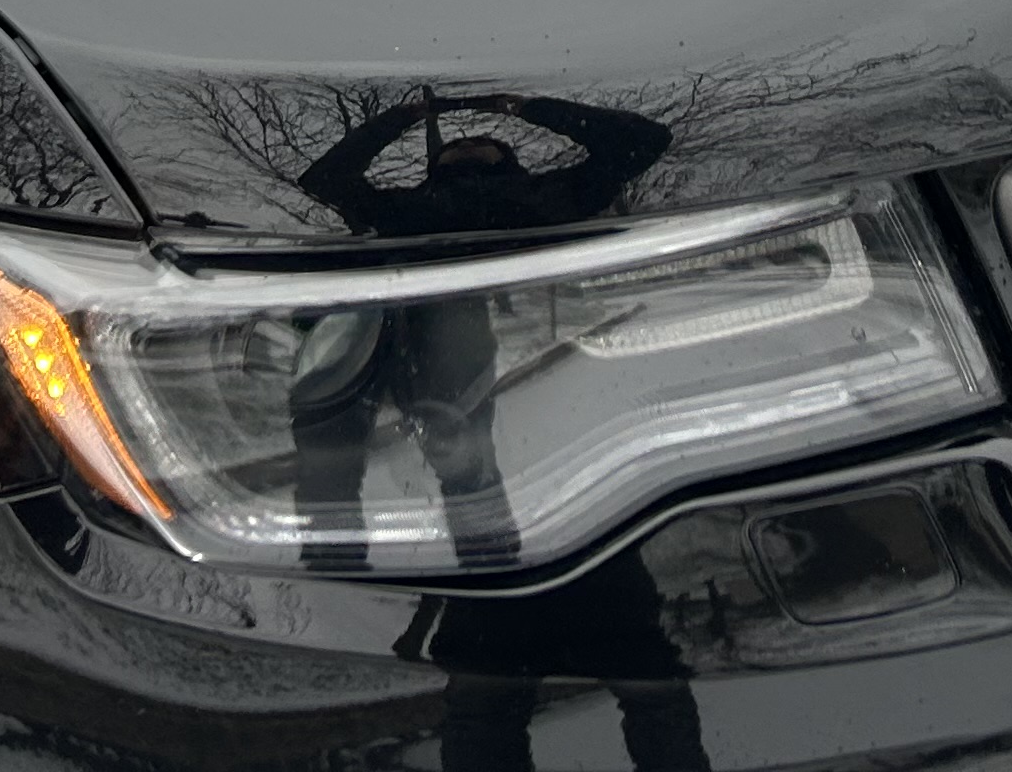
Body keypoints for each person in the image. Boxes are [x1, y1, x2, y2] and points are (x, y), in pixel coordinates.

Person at [284, 95, 703, 772]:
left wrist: (523, 104)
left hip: (590, 473)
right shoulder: (406, 214)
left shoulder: (555, 196)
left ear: (510, 159)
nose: (466, 141)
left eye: (483, 139)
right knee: (494, 690)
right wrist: (405, 116)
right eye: (453, 144)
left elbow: (642, 141)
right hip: (469, 489)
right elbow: (327, 179)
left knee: (640, 674)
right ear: (433, 170)